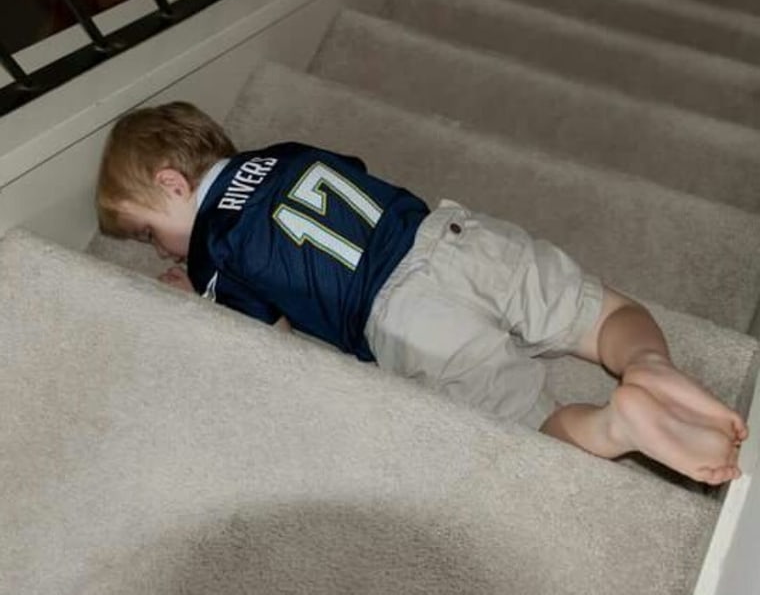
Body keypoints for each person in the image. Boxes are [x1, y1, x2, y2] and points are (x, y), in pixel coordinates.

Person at [96, 101, 748, 485]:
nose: (160, 249)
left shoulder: (214, 249)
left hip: (405, 320)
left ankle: (615, 425)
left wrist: (194, 295)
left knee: (533, 427)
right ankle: (648, 364)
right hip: (450, 237)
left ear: (174, 185)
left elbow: (264, 337)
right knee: (609, 312)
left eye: (152, 232)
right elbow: (351, 172)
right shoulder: (283, 151)